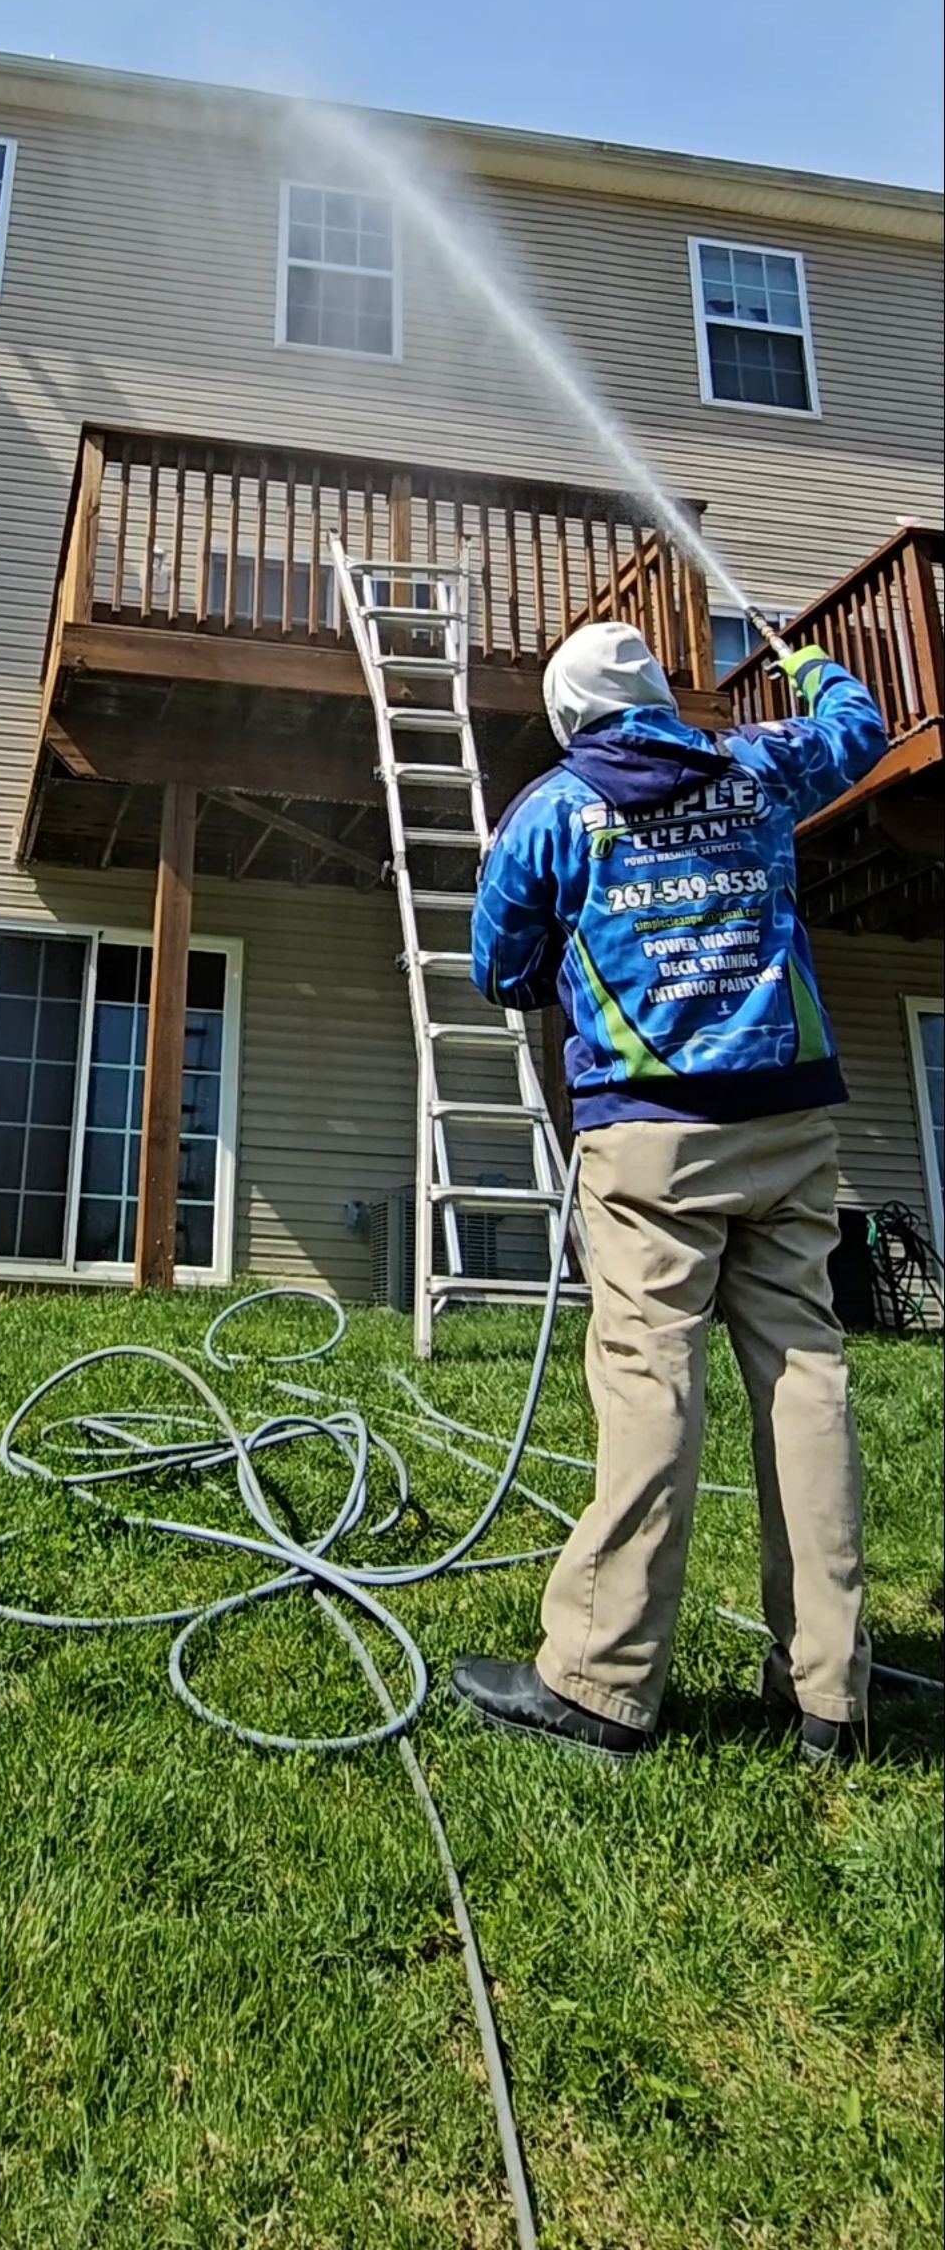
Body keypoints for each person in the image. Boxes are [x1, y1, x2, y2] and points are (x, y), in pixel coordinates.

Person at [448, 617, 888, 1767]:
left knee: (652, 1382)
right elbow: (860, 728)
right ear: (658, 699)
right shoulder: (755, 763)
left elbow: (500, 964)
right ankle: (830, 1690)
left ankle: (601, 1680)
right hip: (788, 1121)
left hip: (649, 1139)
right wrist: (805, 663)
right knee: (804, 1376)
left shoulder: (553, 808)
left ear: (567, 719)